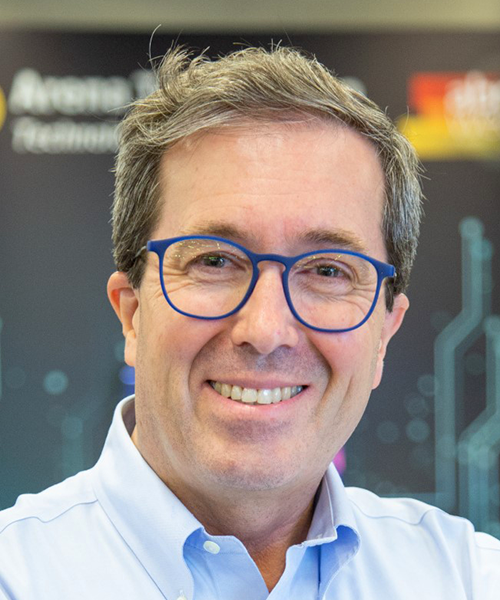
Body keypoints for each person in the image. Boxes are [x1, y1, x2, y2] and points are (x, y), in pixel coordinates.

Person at [0, 45, 499, 600]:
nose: (265, 330)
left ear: (383, 334)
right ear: (132, 315)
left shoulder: (469, 580)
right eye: (214, 260)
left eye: (328, 270)